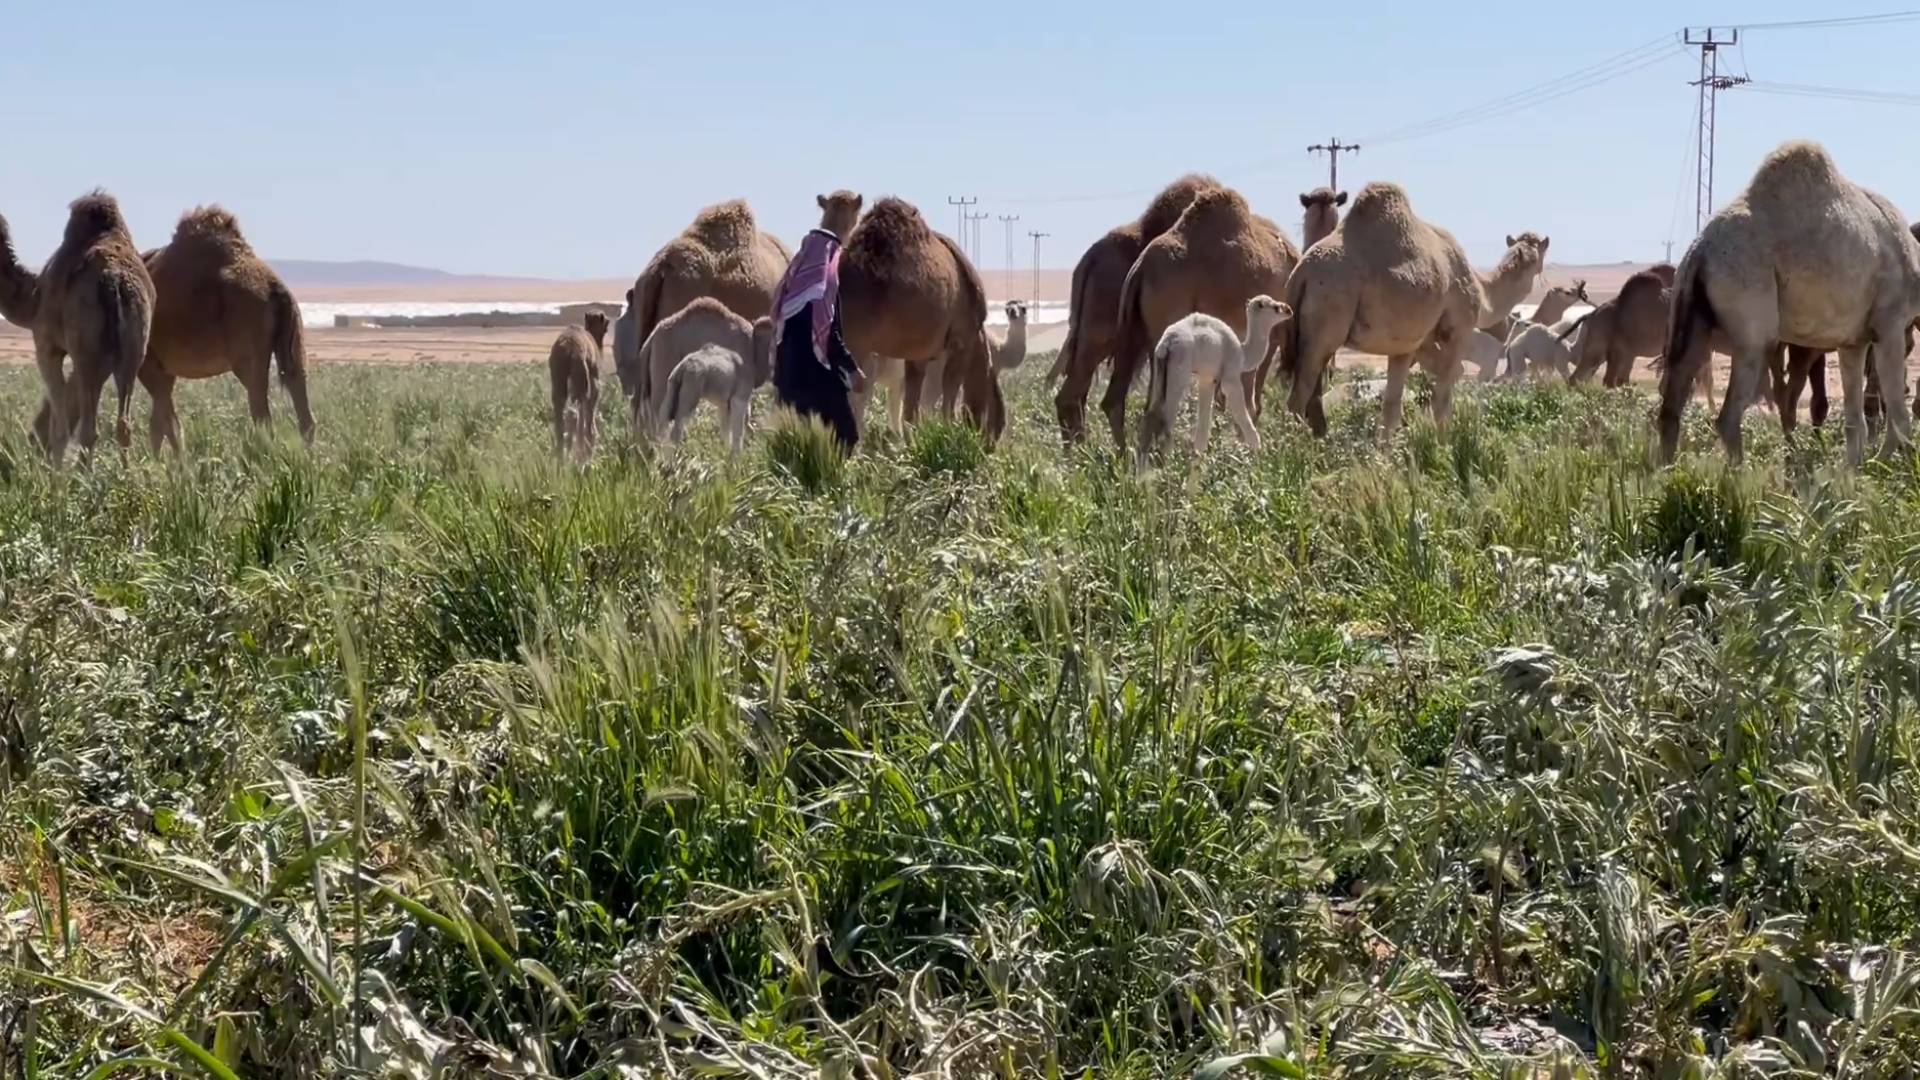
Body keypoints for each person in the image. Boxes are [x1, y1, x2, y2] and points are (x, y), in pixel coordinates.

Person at [768, 210, 862, 449]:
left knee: (798, 444)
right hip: (818, 380)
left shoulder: (789, 292)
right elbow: (830, 336)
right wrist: (851, 369)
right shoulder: (822, 293)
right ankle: (829, 483)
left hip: (789, 380)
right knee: (846, 437)